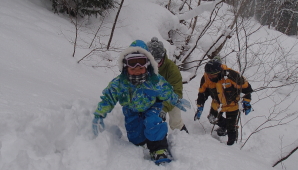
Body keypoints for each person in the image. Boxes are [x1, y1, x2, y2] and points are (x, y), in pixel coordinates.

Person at [92, 40, 191, 164]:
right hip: (131, 109)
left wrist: (175, 100)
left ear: (148, 65)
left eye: (141, 66)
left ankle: (159, 148)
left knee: (153, 123)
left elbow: (165, 90)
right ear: (125, 66)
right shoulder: (120, 83)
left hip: (152, 106)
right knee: (135, 134)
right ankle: (141, 144)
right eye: (132, 66)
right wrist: (99, 114)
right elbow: (108, 98)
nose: (137, 70)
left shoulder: (154, 80)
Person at [194, 58, 253, 145]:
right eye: (208, 74)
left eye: (213, 75)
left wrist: (247, 102)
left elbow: (246, 88)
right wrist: (200, 106)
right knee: (212, 119)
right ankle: (224, 126)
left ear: (219, 72)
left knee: (231, 128)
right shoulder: (206, 78)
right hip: (217, 104)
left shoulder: (232, 75)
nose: (210, 77)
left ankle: (231, 145)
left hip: (233, 104)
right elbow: (202, 93)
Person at [147, 37, 188, 133]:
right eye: (153, 61)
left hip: (170, 97)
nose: (156, 64)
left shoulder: (172, 69)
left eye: (158, 61)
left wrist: (164, 108)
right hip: (151, 96)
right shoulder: (144, 66)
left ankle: (183, 138)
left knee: (175, 121)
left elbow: (176, 92)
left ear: (163, 56)